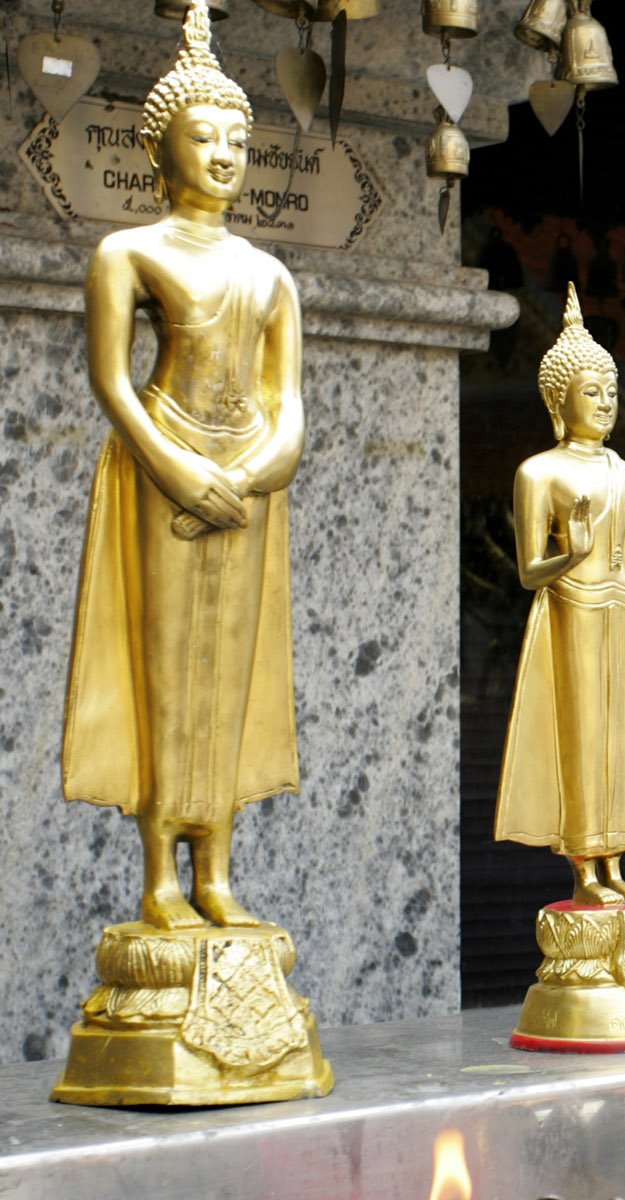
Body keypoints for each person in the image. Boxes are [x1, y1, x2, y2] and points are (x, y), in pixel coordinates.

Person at [64, 0, 302, 931]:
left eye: (237, 139)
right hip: (162, 460)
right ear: (161, 150)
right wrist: (173, 468)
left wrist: (246, 478)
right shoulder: (126, 253)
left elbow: (291, 411)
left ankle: (219, 872)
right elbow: (112, 385)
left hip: (242, 479)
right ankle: (161, 871)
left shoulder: (270, 273)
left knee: (230, 677)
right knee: (165, 669)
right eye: (203, 137)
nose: (224, 155)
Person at [494, 285, 625, 905]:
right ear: (558, 400)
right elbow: (528, 572)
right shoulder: (538, 473)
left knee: (620, 744)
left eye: (611, 392)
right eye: (589, 392)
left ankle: (615, 862)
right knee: (579, 742)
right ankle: (583, 868)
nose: (603, 404)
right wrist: (570, 554)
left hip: (623, 619)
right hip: (569, 617)